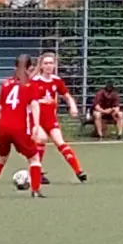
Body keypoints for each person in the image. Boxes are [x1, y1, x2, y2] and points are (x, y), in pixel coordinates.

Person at [0, 54, 46, 198]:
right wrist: (36, 125)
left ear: (15, 67)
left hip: (3, 127)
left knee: (2, 157)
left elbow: (0, 107)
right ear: (29, 68)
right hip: (19, 127)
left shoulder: (5, 84)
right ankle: (35, 190)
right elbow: (34, 104)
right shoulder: (31, 85)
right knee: (34, 158)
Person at [28, 52, 86, 182]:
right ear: (41, 66)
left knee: (60, 142)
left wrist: (73, 106)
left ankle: (78, 171)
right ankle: (37, 172)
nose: (49, 66)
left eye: (51, 63)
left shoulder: (56, 80)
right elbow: (33, 102)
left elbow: (66, 95)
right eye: (46, 63)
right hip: (36, 118)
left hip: (50, 119)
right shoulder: (35, 81)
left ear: (55, 65)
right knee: (41, 139)